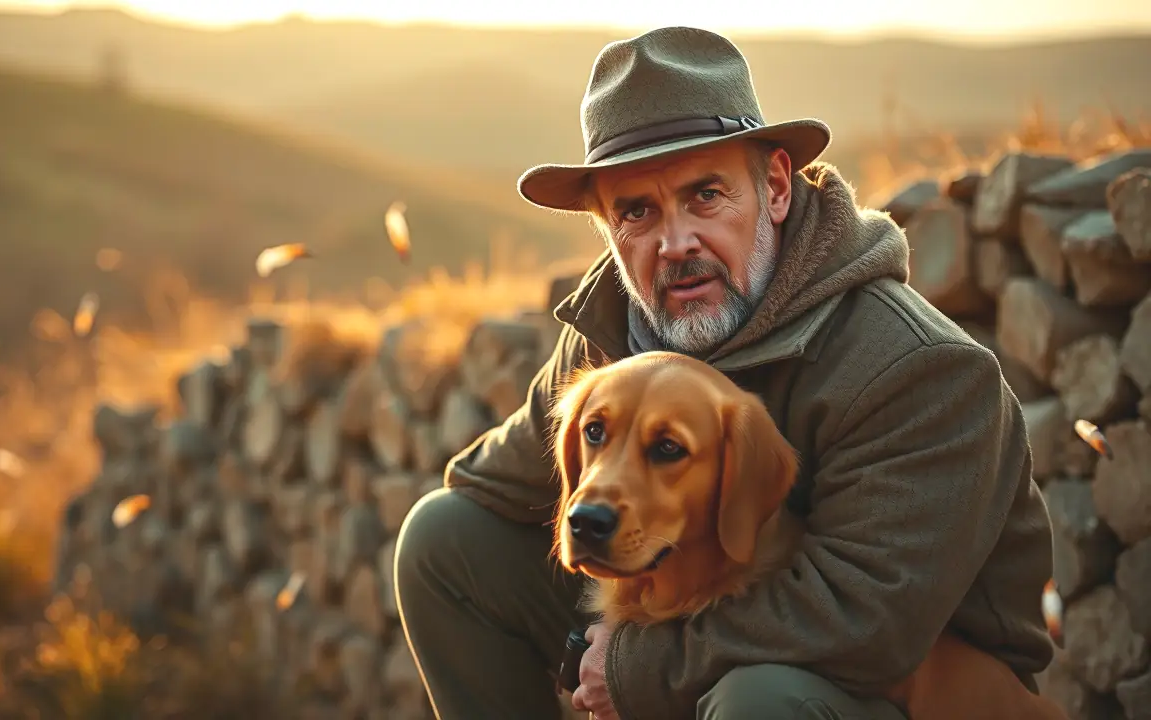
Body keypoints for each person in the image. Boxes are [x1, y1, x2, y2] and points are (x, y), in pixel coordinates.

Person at [393, 26, 1056, 720]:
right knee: (444, 541)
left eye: (705, 195)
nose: (675, 244)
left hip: (889, 686)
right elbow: (489, 482)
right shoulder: (615, 331)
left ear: (775, 186)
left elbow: (868, 623)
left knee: (758, 699)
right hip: (712, 627)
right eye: (636, 211)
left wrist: (633, 666)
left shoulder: (919, 369)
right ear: (606, 228)